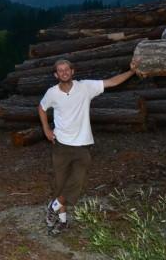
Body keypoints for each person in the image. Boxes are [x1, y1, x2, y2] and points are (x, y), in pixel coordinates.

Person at [38, 58, 137, 236]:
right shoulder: (52, 93)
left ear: (73, 71)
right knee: (60, 185)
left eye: (67, 69)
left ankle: (53, 207)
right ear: (56, 74)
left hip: (82, 145)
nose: (64, 72)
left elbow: (112, 82)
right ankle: (62, 221)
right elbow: (41, 108)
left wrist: (131, 71)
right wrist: (46, 129)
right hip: (60, 144)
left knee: (77, 182)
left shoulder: (85, 87)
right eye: (60, 70)